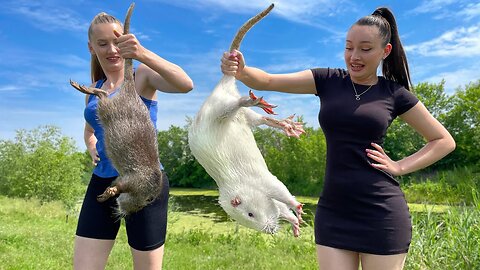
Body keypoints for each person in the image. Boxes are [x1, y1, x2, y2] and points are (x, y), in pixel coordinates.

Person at [221, 7, 455, 270]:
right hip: (334, 209)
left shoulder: (394, 94)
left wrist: (400, 166)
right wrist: (241, 71)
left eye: (365, 49)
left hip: (381, 212)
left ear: (385, 51)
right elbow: (268, 80)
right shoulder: (327, 80)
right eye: (349, 48)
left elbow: (443, 140)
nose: (354, 56)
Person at [74, 11, 193, 270]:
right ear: (91, 47)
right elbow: (90, 130)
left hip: (145, 181)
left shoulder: (141, 76)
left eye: (117, 41)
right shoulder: (94, 90)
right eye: (103, 43)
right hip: (102, 182)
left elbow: (186, 84)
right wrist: (91, 146)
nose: (112, 49)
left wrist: (141, 53)